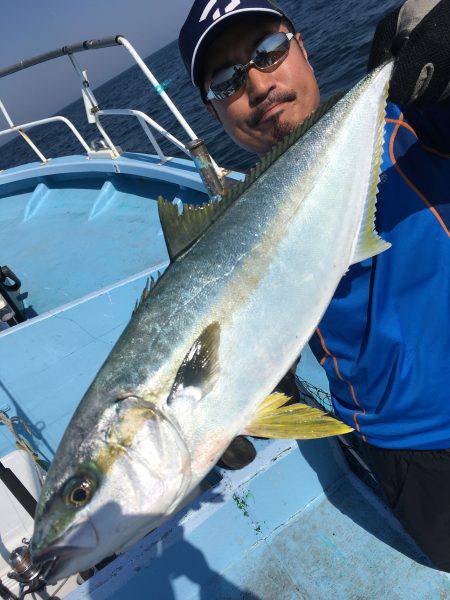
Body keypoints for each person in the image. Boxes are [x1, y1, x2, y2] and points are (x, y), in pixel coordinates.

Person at [178, 0, 450, 572]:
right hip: (413, 457)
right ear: (215, 114)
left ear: (300, 46)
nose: (256, 84)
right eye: (226, 81)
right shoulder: (231, 238)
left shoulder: (415, 120)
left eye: (268, 51)